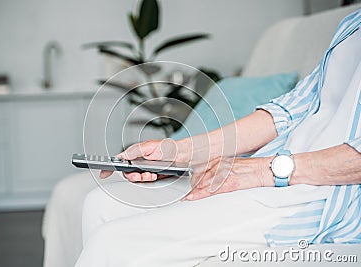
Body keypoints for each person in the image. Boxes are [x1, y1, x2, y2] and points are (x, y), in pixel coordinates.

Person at [75, 9, 361, 267]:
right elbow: (288, 111)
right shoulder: (352, 25)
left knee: (113, 245)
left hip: (324, 193)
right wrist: (179, 151)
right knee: (100, 204)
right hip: (276, 172)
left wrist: (263, 170)